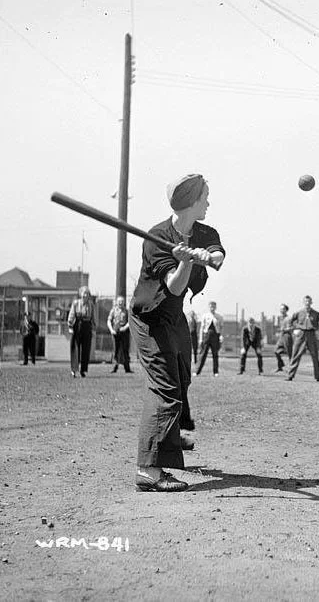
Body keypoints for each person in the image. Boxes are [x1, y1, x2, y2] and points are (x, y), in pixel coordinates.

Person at [129, 173, 225, 492]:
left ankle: (173, 436)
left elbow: (218, 255)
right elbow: (172, 287)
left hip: (174, 316)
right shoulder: (157, 237)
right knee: (165, 387)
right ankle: (149, 470)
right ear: (190, 201)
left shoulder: (204, 231)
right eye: (205, 197)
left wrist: (208, 256)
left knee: (182, 377)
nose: (208, 202)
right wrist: (184, 262)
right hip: (151, 315)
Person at [286, 295, 319, 382]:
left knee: (315, 356)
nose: (307, 303)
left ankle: (318, 377)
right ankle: (290, 376)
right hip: (301, 334)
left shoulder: (316, 313)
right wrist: (293, 330)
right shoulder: (299, 312)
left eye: (309, 301)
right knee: (295, 355)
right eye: (306, 301)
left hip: (311, 334)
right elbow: (290, 321)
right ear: (303, 302)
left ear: (311, 303)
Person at [68, 286, 95, 378]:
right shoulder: (76, 303)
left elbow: (93, 318)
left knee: (86, 349)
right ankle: (74, 370)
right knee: (75, 348)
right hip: (77, 325)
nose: (86, 295)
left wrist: (93, 329)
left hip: (87, 326)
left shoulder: (91, 304)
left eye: (87, 293)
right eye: (84, 293)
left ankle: (83, 370)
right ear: (81, 294)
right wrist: (70, 326)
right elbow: (71, 314)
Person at [196, 301, 224, 377]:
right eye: (211, 306)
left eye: (214, 306)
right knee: (203, 354)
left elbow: (221, 328)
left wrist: (221, 336)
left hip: (215, 337)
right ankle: (197, 371)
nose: (212, 307)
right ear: (209, 307)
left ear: (216, 307)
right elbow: (202, 328)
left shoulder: (219, 317)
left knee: (215, 354)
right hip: (206, 336)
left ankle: (216, 372)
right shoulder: (205, 316)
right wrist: (201, 339)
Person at [107, 296, 132, 374]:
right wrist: (111, 330)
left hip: (124, 331)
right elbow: (109, 321)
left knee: (125, 350)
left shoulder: (127, 311)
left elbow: (130, 321)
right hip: (115, 331)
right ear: (116, 302)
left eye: (122, 301)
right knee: (116, 350)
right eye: (119, 301)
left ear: (124, 302)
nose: (120, 303)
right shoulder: (113, 311)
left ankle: (127, 368)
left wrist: (125, 328)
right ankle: (114, 367)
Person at [274, 303, 293, 372]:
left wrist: (284, 330)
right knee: (276, 351)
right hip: (281, 336)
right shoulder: (280, 318)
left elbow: (291, 328)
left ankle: (291, 368)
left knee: (289, 353)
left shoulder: (288, 318)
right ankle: (280, 366)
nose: (281, 310)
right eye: (281, 309)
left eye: (283, 309)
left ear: (286, 310)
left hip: (287, 336)